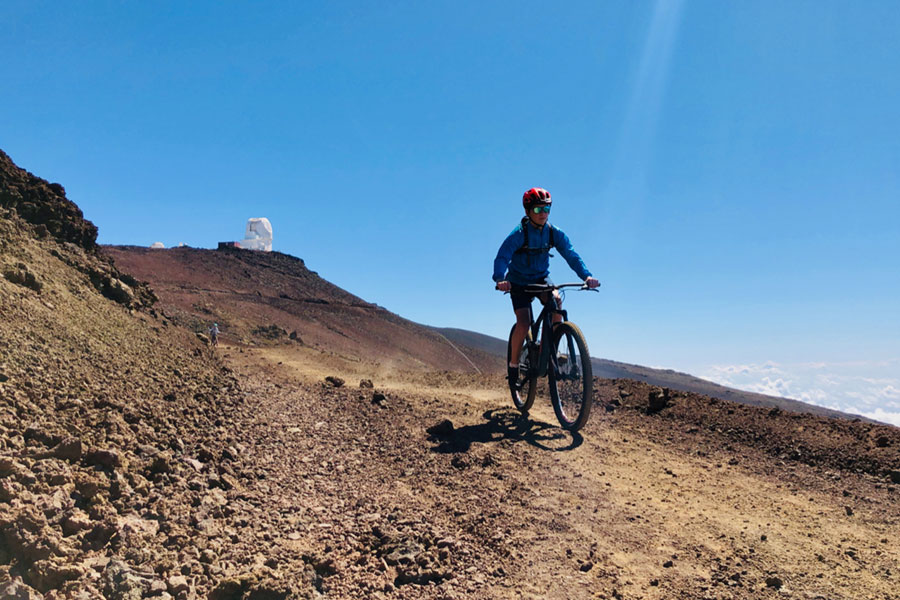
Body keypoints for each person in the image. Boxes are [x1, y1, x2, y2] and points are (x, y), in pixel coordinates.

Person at [493, 187, 599, 391]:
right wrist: (500, 279)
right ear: (527, 211)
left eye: (547, 208)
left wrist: (586, 276)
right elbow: (502, 256)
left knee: (556, 301)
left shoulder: (553, 233)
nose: (543, 213)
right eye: (537, 209)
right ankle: (514, 367)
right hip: (518, 282)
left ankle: (549, 347)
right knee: (523, 324)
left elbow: (571, 254)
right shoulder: (519, 234)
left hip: (541, 279)